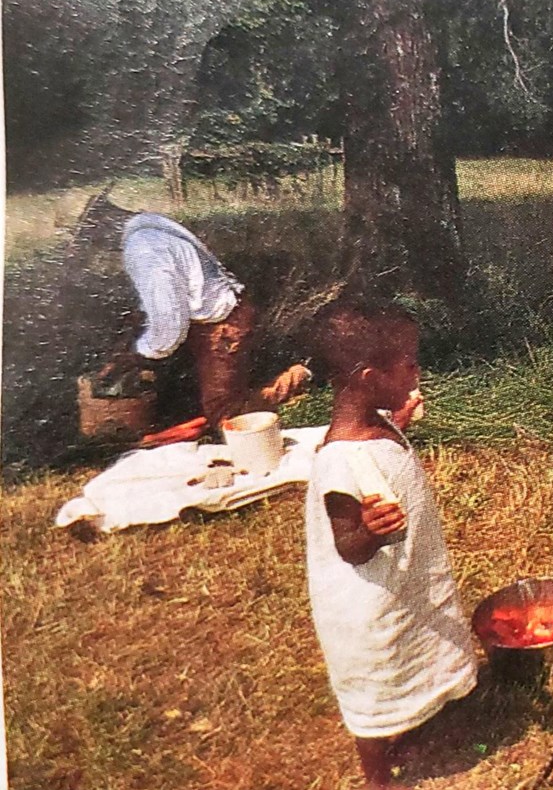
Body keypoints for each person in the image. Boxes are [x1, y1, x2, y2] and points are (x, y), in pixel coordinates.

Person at [305, 299, 476, 789]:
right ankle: (378, 775)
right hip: (368, 602)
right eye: (408, 364)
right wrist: (370, 531)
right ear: (367, 376)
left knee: (411, 650)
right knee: (375, 683)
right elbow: (348, 548)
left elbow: (385, 440)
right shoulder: (338, 463)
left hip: (401, 586)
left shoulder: (375, 423)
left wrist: (399, 414)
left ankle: (412, 720)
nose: (417, 370)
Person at [97, 204, 309, 433]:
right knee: (210, 395)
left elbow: (169, 328)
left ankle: (299, 376)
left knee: (227, 417)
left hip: (223, 326)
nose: (96, 245)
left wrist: (139, 352)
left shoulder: (144, 248)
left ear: (105, 225)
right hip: (221, 317)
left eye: (92, 236)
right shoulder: (152, 234)